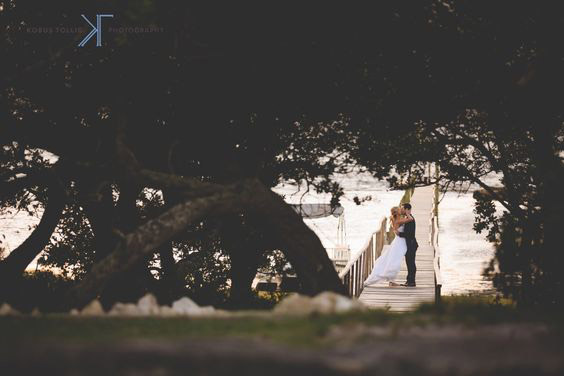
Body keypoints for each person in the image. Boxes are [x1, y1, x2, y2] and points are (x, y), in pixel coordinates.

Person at [363, 206, 414, 287]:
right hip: (400, 242)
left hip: (398, 241)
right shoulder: (399, 220)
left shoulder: (394, 219)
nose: (401, 210)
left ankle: (391, 281)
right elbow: (411, 219)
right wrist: (408, 213)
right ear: (397, 212)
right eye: (399, 209)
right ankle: (389, 278)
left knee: (393, 259)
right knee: (395, 260)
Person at [396, 203, 418, 287]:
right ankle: (409, 280)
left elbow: (410, 234)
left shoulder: (411, 220)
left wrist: (400, 234)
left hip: (411, 244)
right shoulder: (407, 218)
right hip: (409, 244)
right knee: (409, 263)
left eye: (402, 209)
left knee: (411, 263)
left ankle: (412, 282)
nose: (401, 210)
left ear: (407, 209)